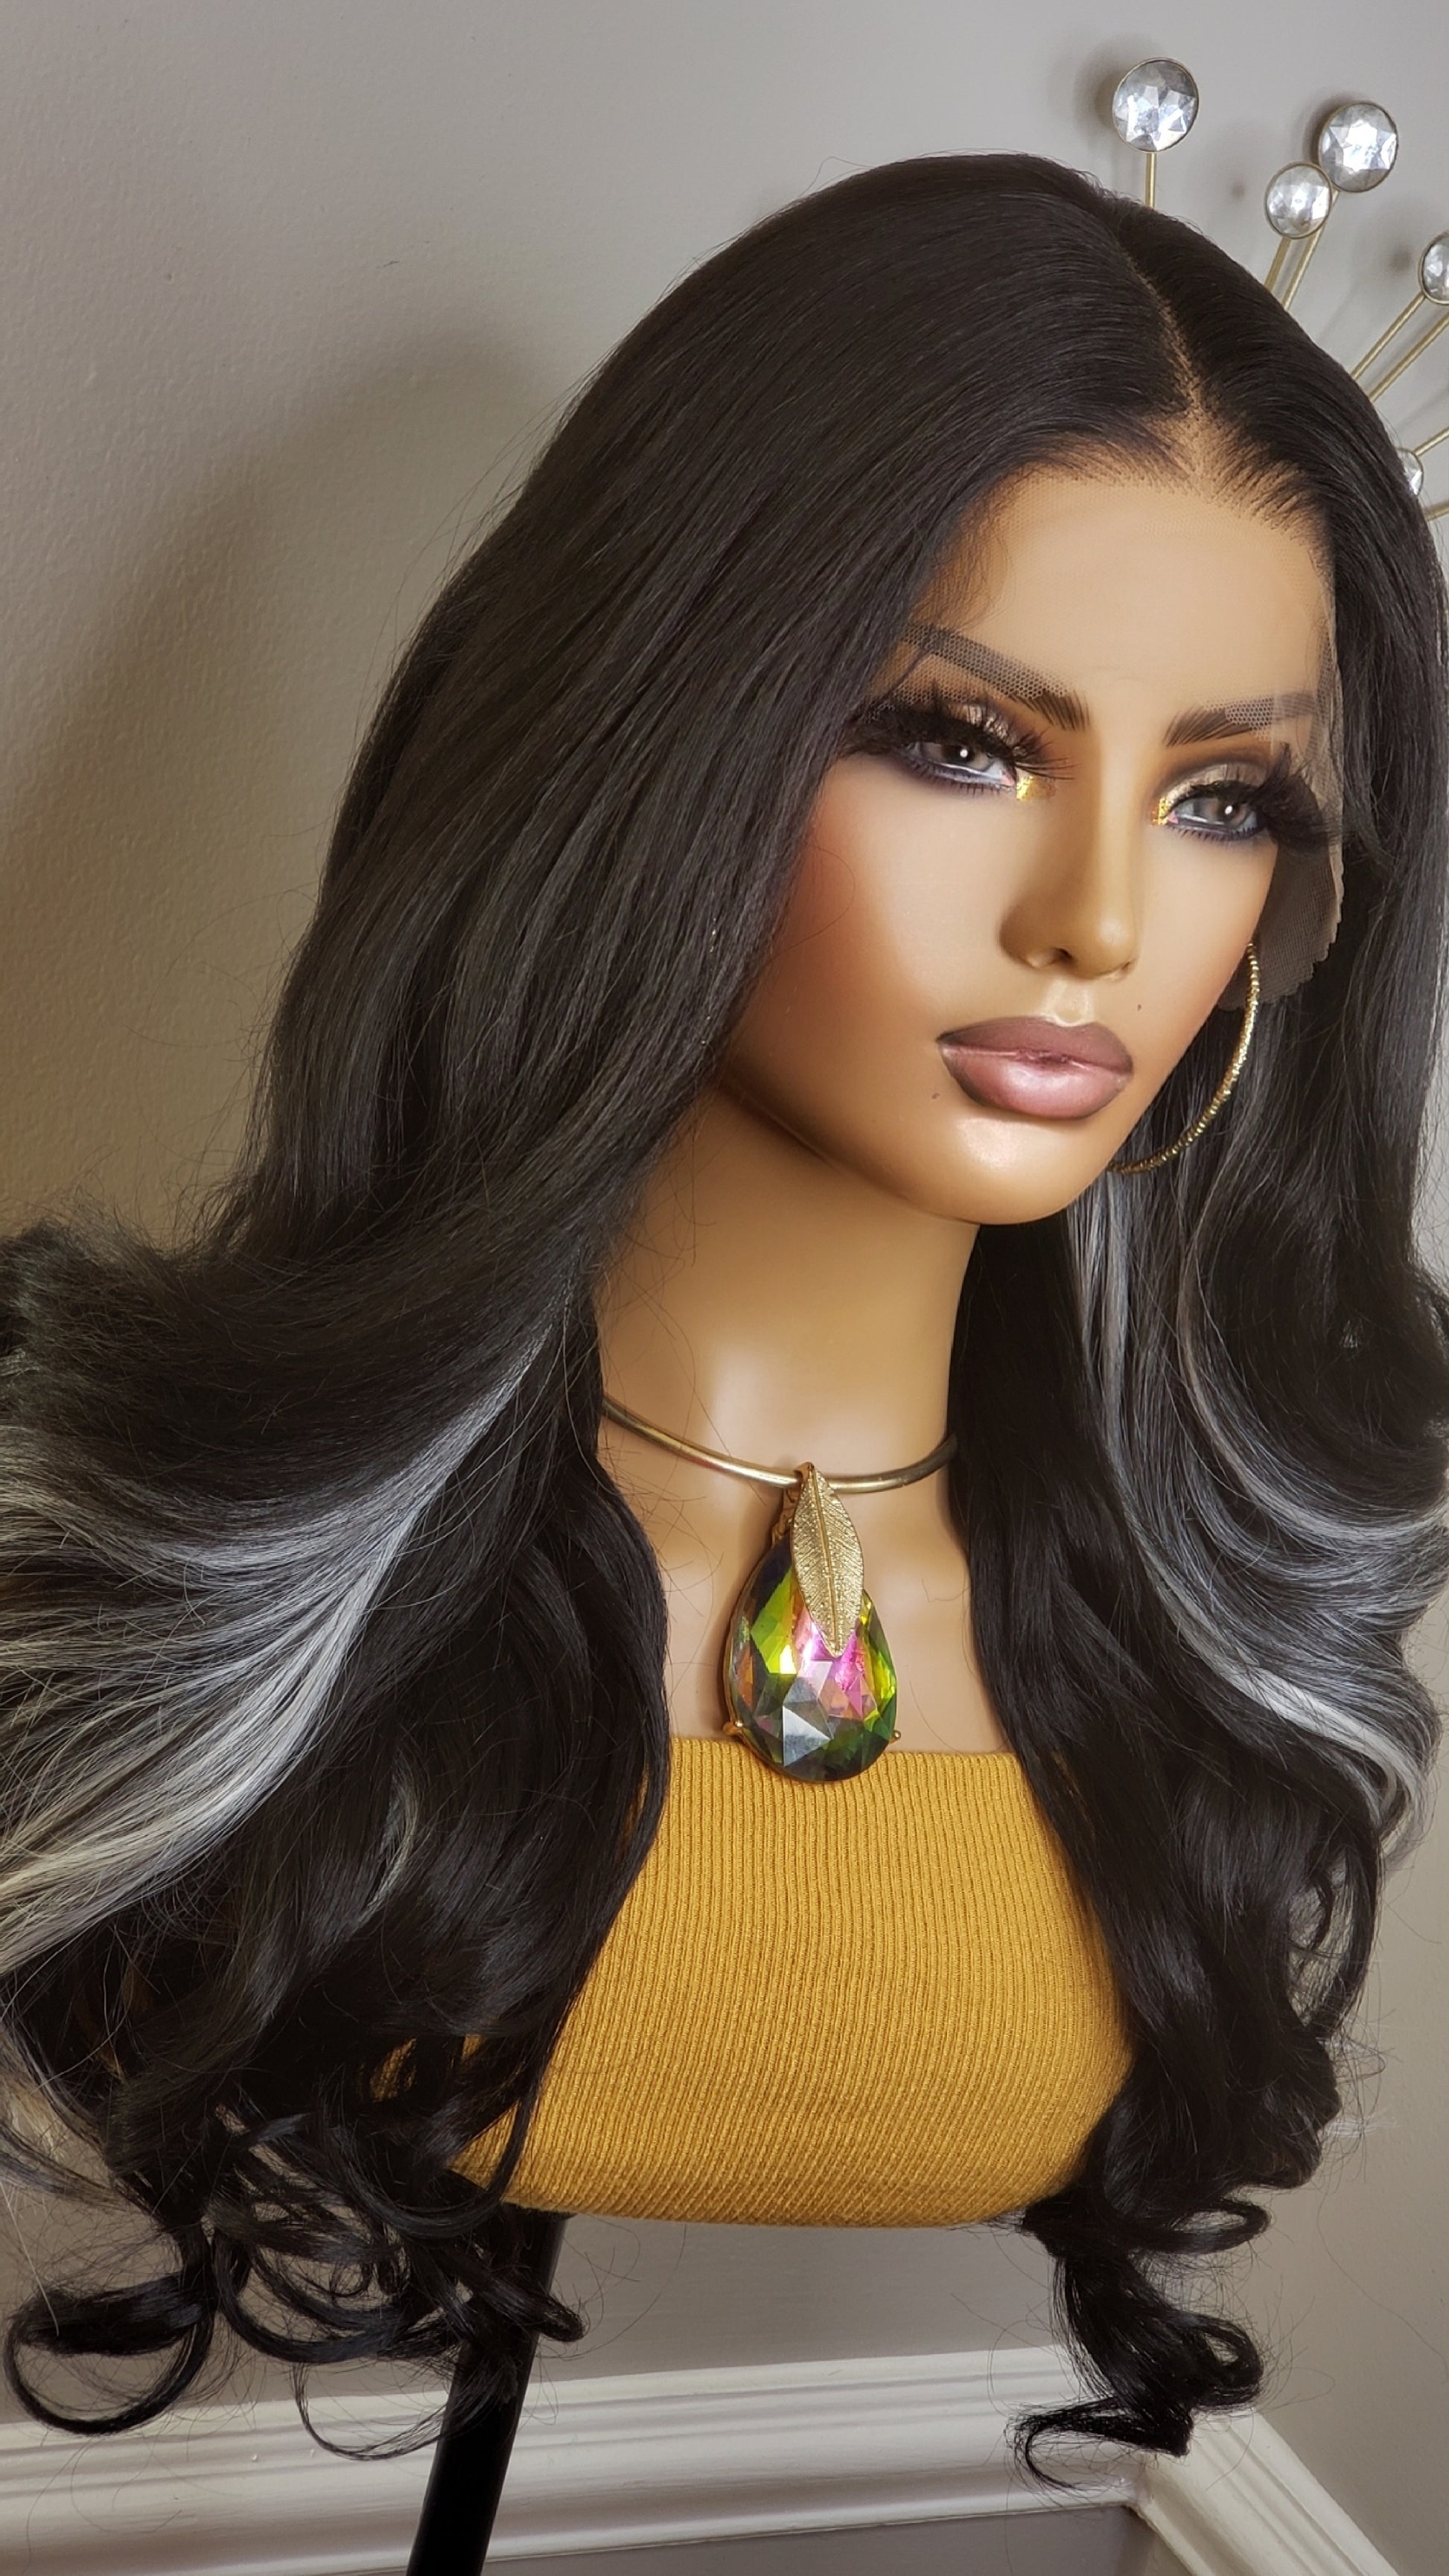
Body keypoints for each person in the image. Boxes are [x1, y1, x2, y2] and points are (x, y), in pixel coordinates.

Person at [1, 150, 1445, 2475]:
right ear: (657, 742)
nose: (1096, 920)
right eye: (960, 740)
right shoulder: (165, 1547)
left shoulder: (1213, 1636)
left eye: (1222, 797)